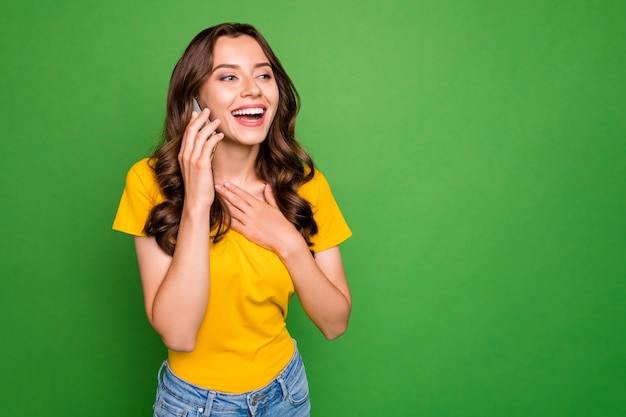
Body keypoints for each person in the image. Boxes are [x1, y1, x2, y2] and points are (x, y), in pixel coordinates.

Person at [112, 23, 352, 416]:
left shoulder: (305, 185)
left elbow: (335, 323)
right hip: (193, 404)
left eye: (263, 74)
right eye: (228, 76)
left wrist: (287, 242)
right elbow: (179, 333)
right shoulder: (149, 182)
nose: (253, 89)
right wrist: (196, 203)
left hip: (285, 395)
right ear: (194, 98)